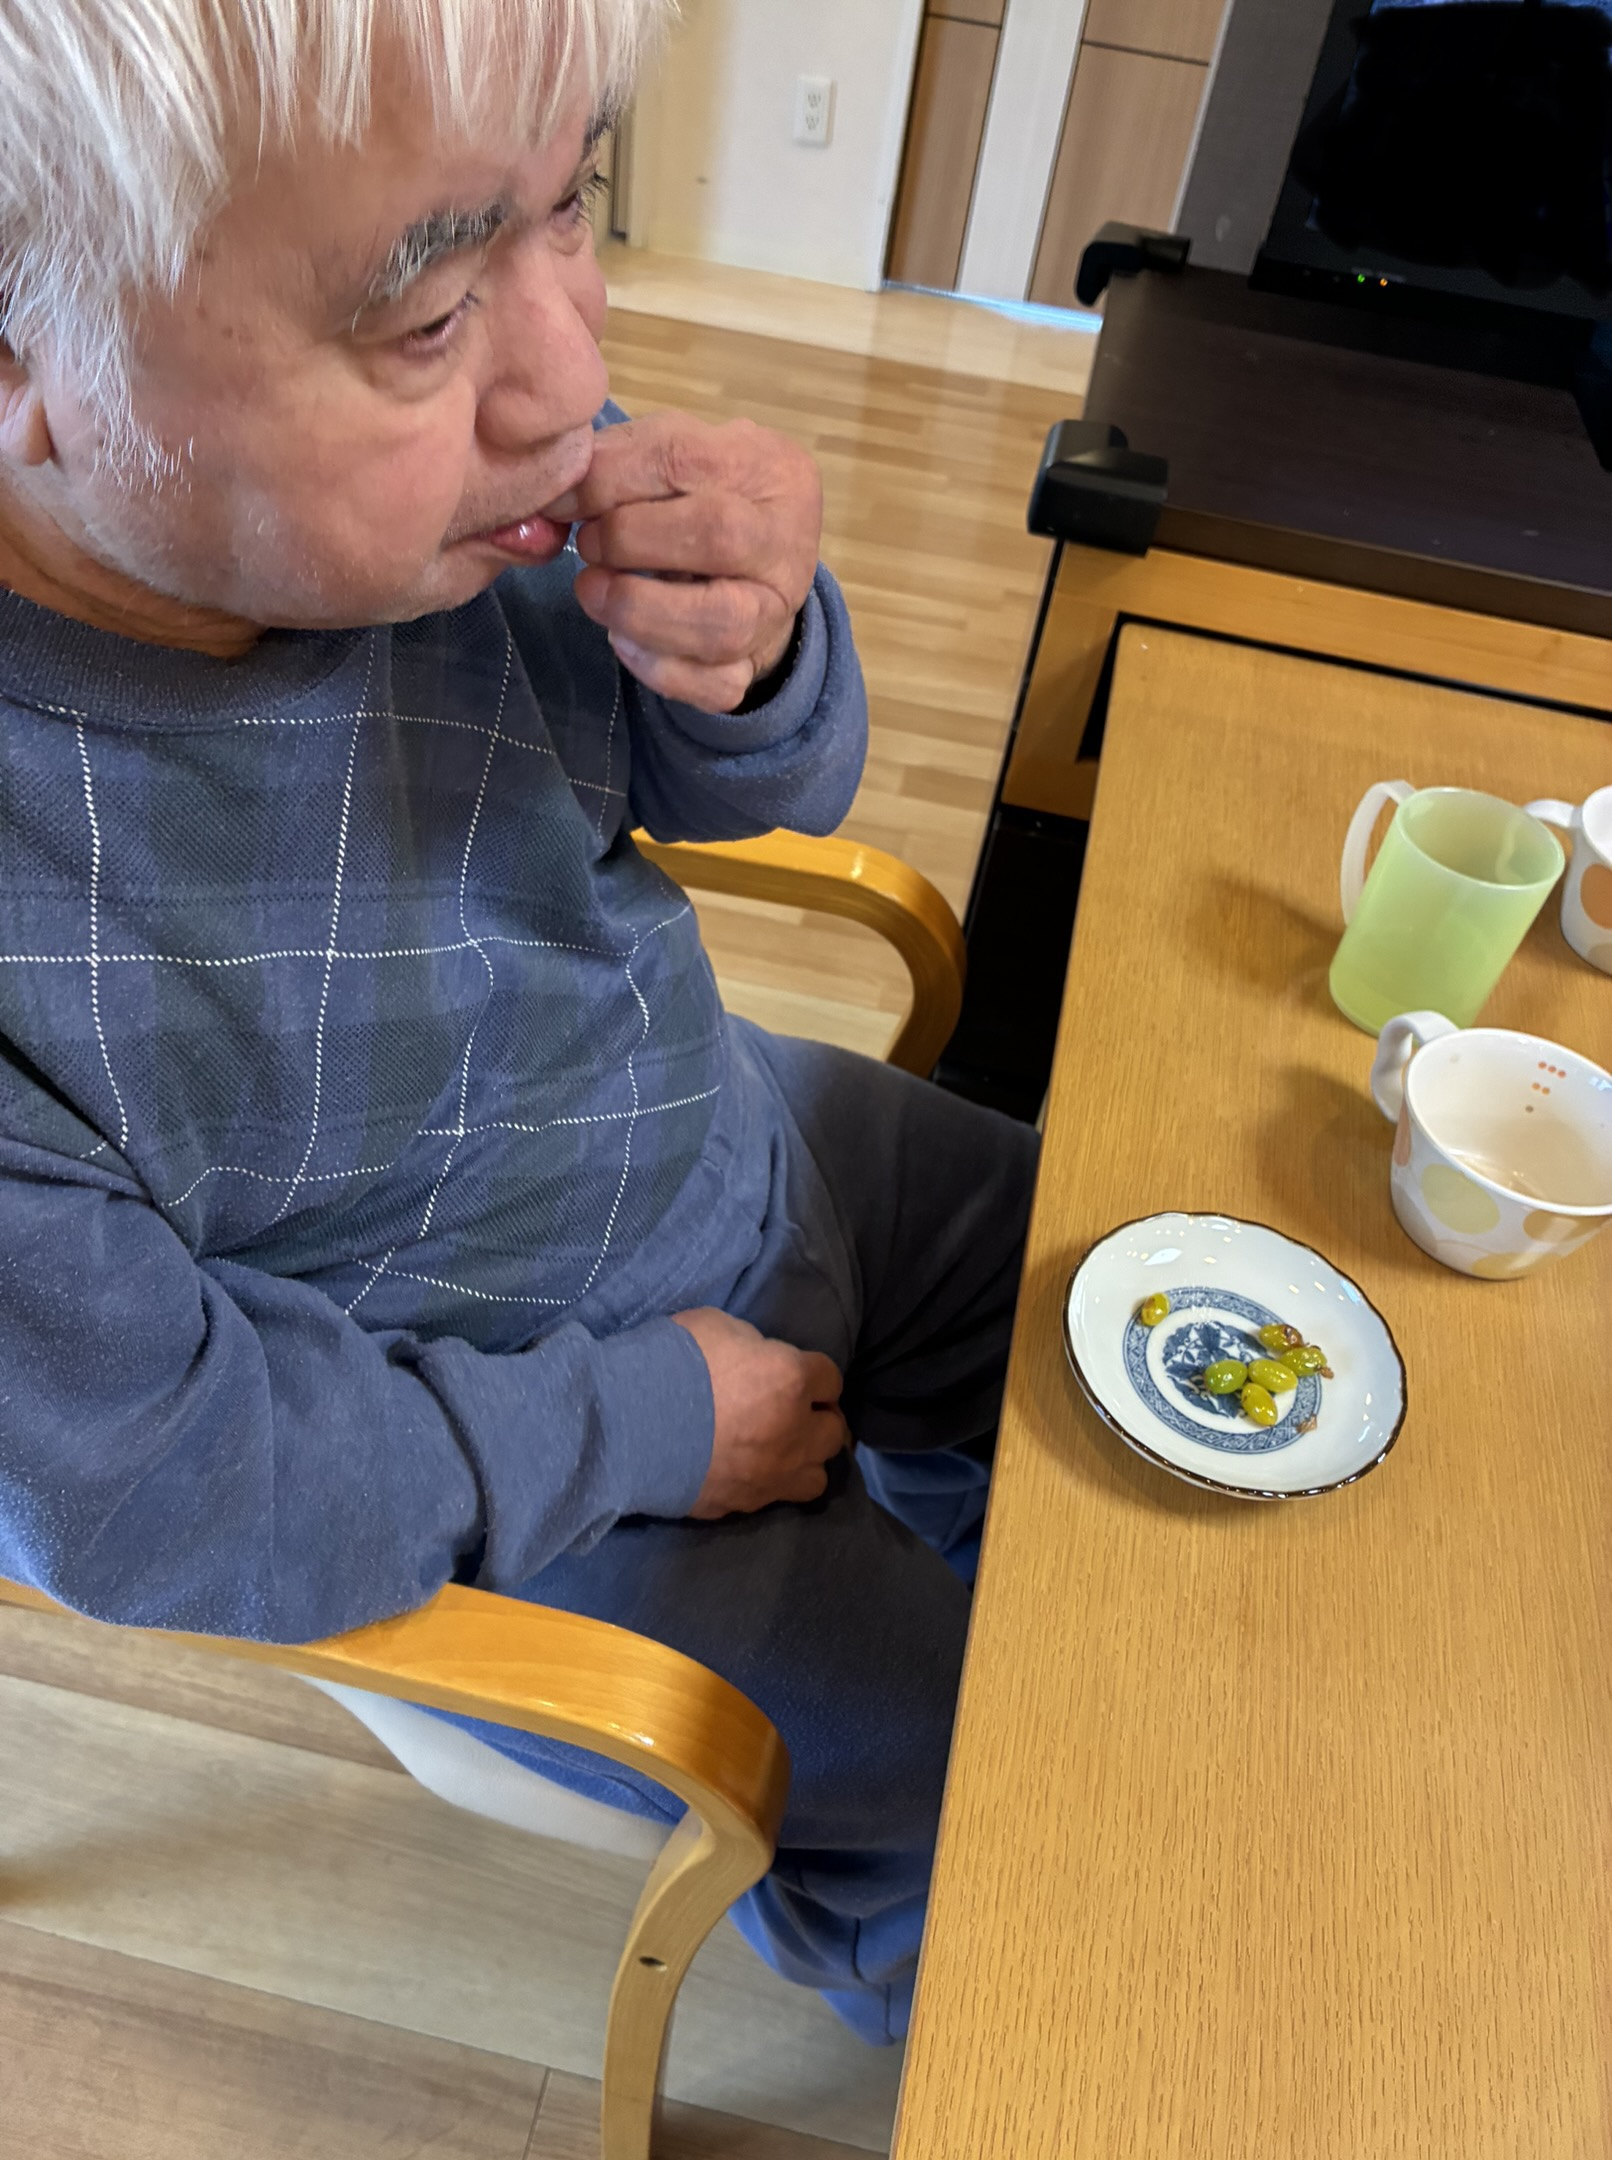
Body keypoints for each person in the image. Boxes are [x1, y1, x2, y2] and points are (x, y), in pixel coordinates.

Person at [0, 0, 1037, 2045]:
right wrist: (648, 1420)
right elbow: (173, 1491)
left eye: (573, 205)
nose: (569, 380)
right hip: (548, 1467)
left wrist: (751, 659)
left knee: (1118, 1299)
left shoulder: (443, 498)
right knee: (996, 1818)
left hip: (740, 1138)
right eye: (426, 316)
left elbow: (740, 790)